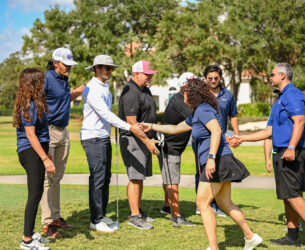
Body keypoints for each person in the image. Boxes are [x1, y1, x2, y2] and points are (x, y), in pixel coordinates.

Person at [141, 78, 262, 250]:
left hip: (217, 161)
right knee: (225, 203)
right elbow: (174, 129)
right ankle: (250, 236)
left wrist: (211, 158)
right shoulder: (198, 112)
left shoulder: (204, 110)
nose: (182, 95)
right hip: (221, 159)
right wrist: (151, 125)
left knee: (202, 203)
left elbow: (217, 130)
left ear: (192, 94)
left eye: (185, 92)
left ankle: (214, 248)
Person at [236, 63, 305, 247]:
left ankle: (293, 235)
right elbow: (268, 131)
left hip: (291, 152)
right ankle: (292, 237)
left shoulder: (292, 95)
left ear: (282, 76)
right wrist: (242, 138)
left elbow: (300, 121)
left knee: (292, 195)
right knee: (289, 194)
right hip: (283, 151)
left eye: (272, 74)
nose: (269, 77)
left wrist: (291, 147)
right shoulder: (280, 99)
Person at [81, 55, 146, 233]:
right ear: (97, 68)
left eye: (111, 68)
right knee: (98, 178)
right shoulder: (92, 88)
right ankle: (95, 220)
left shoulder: (105, 88)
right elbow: (105, 114)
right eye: (106, 68)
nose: (110, 71)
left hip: (102, 137)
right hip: (92, 138)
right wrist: (130, 127)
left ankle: (101, 215)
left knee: (106, 177)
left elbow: (109, 114)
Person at [40, 48, 86, 238]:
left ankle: (56, 217)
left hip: (63, 132)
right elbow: (37, 102)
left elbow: (65, 99)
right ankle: (47, 222)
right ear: (55, 63)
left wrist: (82, 89)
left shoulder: (63, 80)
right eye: (66, 65)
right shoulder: (46, 78)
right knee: (47, 179)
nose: (69, 68)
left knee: (57, 178)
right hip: (48, 131)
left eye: (70, 65)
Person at [13, 68, 55, 250]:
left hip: (37, 151)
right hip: (31, 152)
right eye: (42, 81)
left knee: (37, 193)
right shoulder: (28, 105)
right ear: (34, 83)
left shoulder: (35, 103)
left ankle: (30, 233)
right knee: (34, 195)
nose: (44, 84)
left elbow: (41, 133)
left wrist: (47, 153)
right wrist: (45, 159)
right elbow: (31, 136)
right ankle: (27, 240)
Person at [119, 60, 160, 230]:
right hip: (133, 140)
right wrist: (147, 141)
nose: (150, 76)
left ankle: (138, 212)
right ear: (136, 73)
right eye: (147, 74)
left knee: (140, 177)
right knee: (135, 178)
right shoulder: (131, 93)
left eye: (151, 74)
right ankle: (134, 216)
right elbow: (132, 123)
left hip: (143, 139)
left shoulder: (145, 89)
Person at [195, 65, 240, 217]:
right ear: (205, 79)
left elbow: (233, 115)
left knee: (220, 170)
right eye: (210, 78)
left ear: (220, 78)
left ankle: (217, 204)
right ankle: (205, 204)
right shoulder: (201, 96)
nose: (213, 81)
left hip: (222, 139)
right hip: (204, 140)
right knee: (202, 171)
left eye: (216, 78)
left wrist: (237, 135)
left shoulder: (227, 95)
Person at [158, 72, 195, 226]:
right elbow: (198, 117)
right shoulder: (180, 102)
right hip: (169, 147)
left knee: (168, 179)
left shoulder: (184, 100)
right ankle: (176, 216)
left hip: (170, 145)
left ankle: (167, 206)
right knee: (172, 181)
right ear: (184, 87)